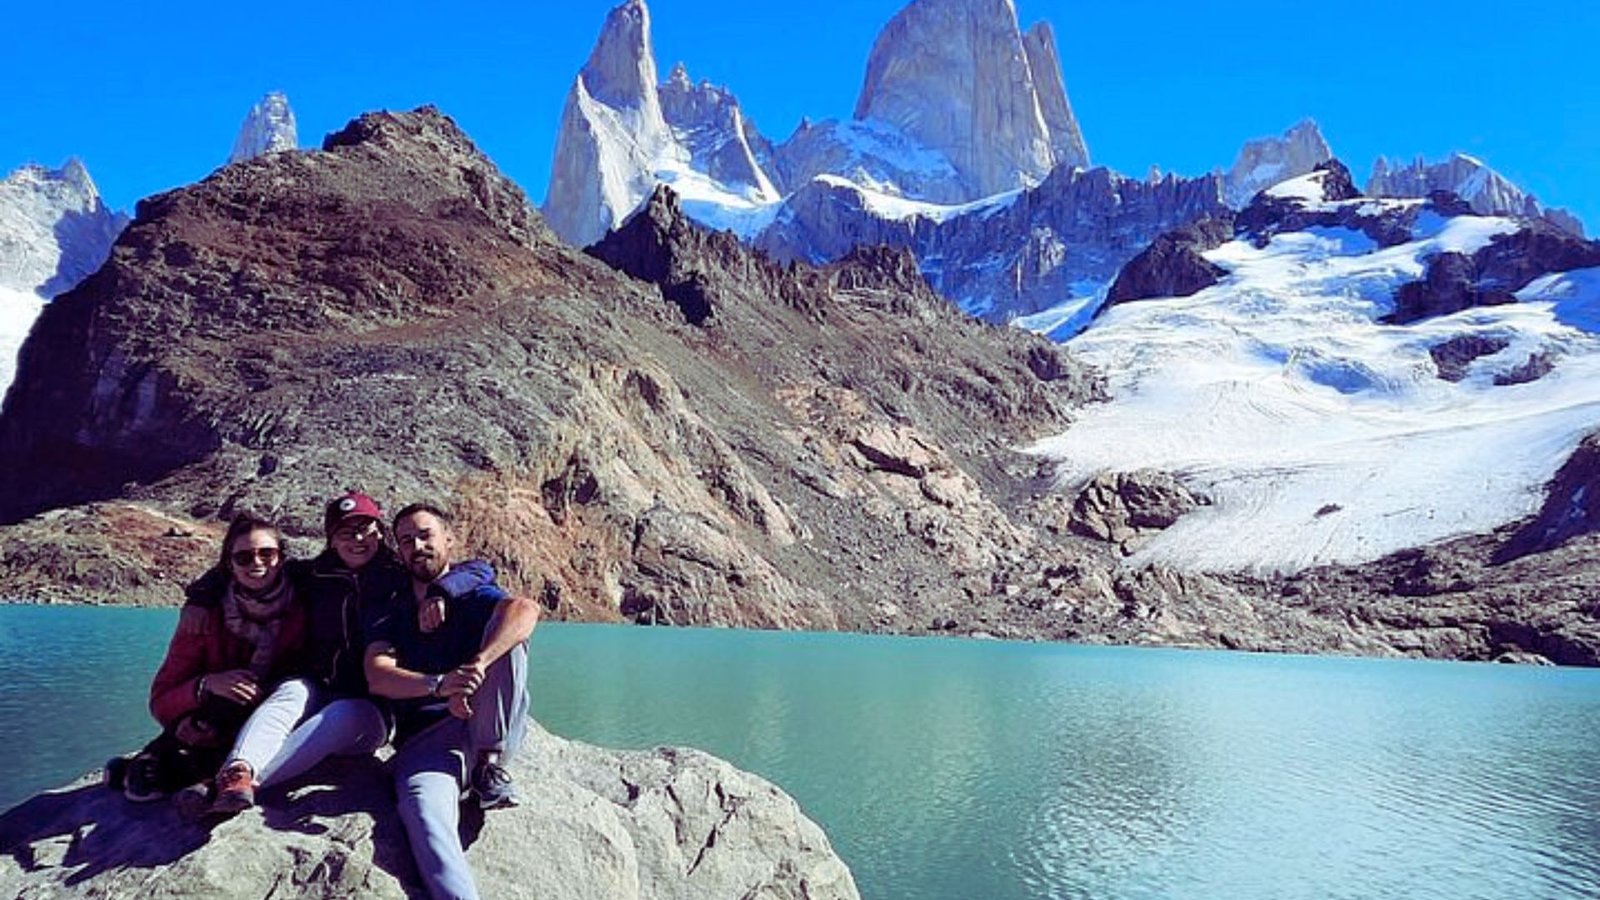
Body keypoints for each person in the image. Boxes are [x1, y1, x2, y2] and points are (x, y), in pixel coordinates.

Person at [177, 491, 493, 816]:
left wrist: (443, 591)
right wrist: (200, 596)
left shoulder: (400, 571)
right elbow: (248, 567)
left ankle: (219, 788)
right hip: (317, 684)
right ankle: (238, 772)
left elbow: (478, 570)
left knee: (339, 716)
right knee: (290, 692)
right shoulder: (314, 574)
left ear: (380, 533)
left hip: (374, 706)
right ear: (331, 540)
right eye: (345, 532)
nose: (357, 539)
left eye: (366, 529)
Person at [365, 502, 538, 900]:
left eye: (426, 535)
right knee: (425, 814)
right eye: (406, 540)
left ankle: (488, 767)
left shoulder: (473, 591)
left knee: (510, 637)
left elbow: (526, 610)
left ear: (448, 539)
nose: (417, 546)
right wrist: (441, 685)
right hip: (427, 742)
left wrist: (476, 667)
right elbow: (378, 676)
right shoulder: (391, 610)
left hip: (483, 727)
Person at [110, 512, 305, 802]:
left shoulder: (305, 601)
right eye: (244, 558)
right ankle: (173, 765)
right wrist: (205, 685)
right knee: (225, 702)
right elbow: (162, 698)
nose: (257, 563)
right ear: (229, 565)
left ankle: (151, 769)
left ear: (281, 558)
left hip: (270, 711)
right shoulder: (204, 616)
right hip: (209, 715)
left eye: (267, 553)